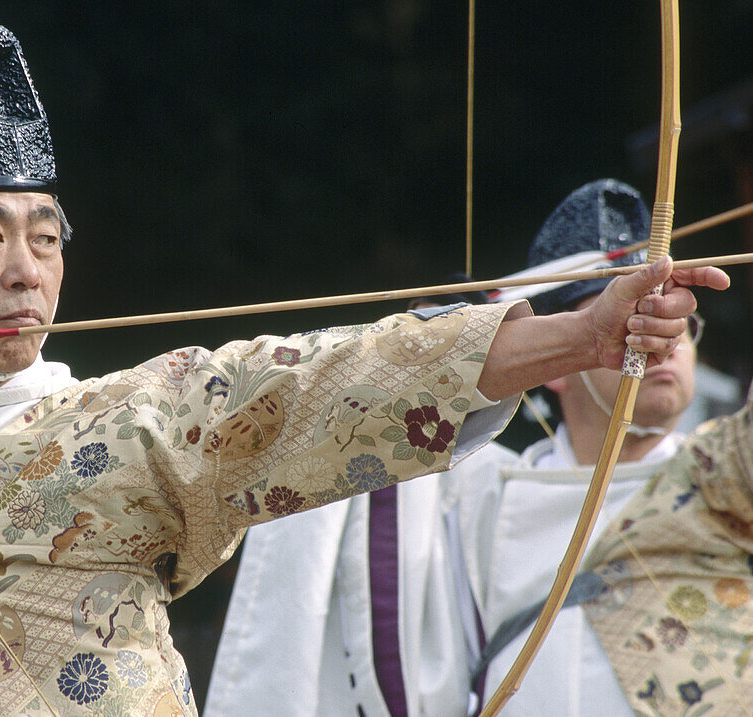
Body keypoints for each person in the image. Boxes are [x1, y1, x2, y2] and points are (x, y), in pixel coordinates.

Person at [0, 23, 724, 717]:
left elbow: (305, 383)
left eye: (45, 237)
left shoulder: (108, 429)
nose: (27, 271)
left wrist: (577, 338)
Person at [206, 179, 719, 717]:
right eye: (634, 320)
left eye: (675, 321)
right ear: (559, 367)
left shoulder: (727, 478)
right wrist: (437, 349)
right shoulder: (477, 496)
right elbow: (361, 459)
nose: (666, 342)